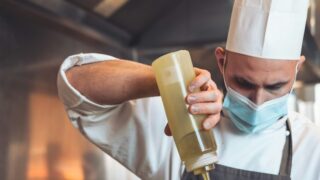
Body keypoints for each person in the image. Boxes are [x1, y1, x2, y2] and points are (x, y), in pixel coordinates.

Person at [57, 0, 320, 179]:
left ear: (297, 69)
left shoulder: (313, 150)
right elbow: (77, 83)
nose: (258, 101)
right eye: (245, 83)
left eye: (275, 86)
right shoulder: (184, 122)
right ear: (222, 61)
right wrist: (172, 82)